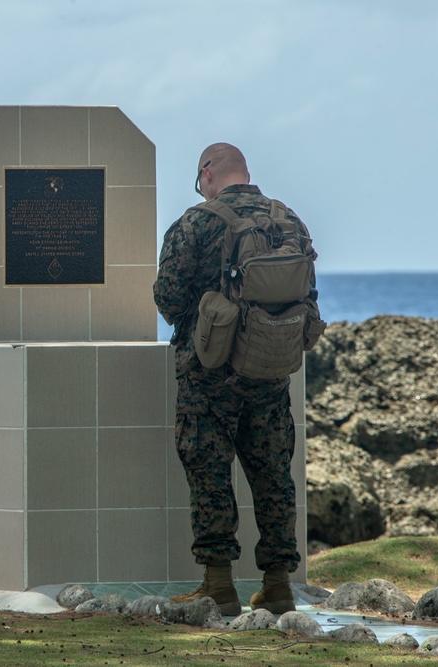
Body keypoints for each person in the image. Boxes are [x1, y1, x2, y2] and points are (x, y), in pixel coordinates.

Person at [153, 142, 315, 616]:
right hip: (269, 371)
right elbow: (308, 295)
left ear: (207, 173)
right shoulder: (289, 221)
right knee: (272, 475)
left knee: (209, 472)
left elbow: (168, 298)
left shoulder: (196, 223)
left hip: (208, 374)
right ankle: (279, 585)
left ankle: (218, 584)